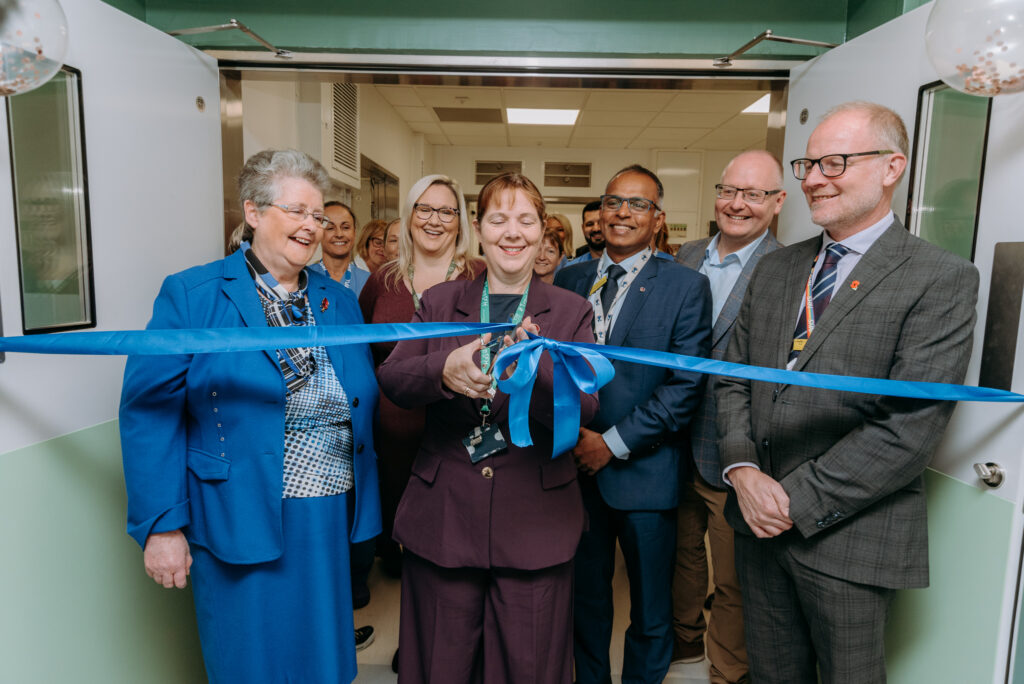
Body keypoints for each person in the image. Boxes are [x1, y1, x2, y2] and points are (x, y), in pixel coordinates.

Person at [717, 102, 979, 683]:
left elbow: (910, 424)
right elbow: (734, 375)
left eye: (833, 163)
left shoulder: (938, 278)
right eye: (808, 163)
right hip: (756, 525)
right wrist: (742, 471)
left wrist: (791, 501)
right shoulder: (777, 268)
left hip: (849, 535)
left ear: (892, 168)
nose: (812, 178)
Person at [119, 149, 382, 684]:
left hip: (327, 511)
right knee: (251, 658)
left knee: (321, 656)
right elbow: (149, 412)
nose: (312, 227)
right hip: (236, 510)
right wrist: (162, 525)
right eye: (297, 211)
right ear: (254, 213)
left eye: (319, 216)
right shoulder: (194, 294)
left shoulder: (337, 299)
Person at [378, 172, 599, 684]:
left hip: (535, 521)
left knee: (531, 666)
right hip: (445, 517)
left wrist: (532, 366)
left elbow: (585, 408)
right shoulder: (439, 303)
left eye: (526, 220)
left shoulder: (571, 310)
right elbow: (393, 377)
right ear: (478, 229)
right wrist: (443, 371)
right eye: (499, 219)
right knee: (441, 663)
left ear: (543, 231)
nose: (512, 232)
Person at [555, 165, 712, 684]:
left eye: (637, 204)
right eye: (613, 202)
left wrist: (613, 443)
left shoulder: (687, 286)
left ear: (658, 218)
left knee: (649, 610)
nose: (622, 213)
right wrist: (576, 435)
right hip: (574, 469)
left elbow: (685, 386)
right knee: (587, 601)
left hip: (645, 474)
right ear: (599, 211)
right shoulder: (571, 277)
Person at [671, 150, 786, 683]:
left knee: (735, 578)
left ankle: (728, 674)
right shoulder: (684, 255)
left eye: (754, 194)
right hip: (667, 440)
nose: (737, 204)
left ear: (778, 202)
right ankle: (684, 642)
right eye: (729, 191)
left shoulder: (790, 269)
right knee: (679, 557)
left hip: (734, 450)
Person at [359, 174, 483, 578]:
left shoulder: (481, 276)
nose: (434, 220)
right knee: (403, 547)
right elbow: (359, 350)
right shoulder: (383, 280)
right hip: (394, 441)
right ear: (409, 216)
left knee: (457, 544)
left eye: (446, 211)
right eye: (424, 208)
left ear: (460, 221)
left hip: (461, 437)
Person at [309, 201, 371, 295]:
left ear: (354, 232)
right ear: (319, 233)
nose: (339, 234)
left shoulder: (367, 281)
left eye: (345, 227)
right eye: (330, 228)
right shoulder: (304, 278)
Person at [566, 200, 603, 265]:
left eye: (600, 223)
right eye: (590, 224)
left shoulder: (625, 265)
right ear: (583, 229)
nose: (596, 229)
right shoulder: (572, 267)